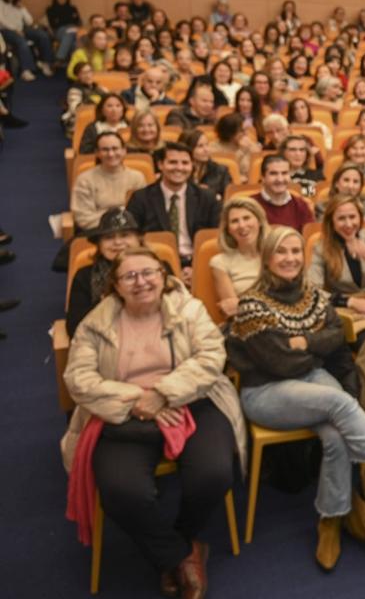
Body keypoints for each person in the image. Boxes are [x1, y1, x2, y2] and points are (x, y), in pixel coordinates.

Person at [226, 226, 365, 571]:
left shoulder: (313, 294)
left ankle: (330, 520)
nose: (290, 259)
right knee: (341, 403)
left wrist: (306, 343)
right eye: (281, 252)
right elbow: (279, 362)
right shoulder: (252, 303)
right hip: (266, 391)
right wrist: (310, 348)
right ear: (267, 257)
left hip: (310, 379)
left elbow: (334, 338)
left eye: (296, 251)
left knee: (336, 436)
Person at [62, 246, 245, 598]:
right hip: (122, 412)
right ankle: (180, 555)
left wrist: (164, 392)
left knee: (214, 474)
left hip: (191, 400)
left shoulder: (188, 309)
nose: (141, 282)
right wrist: (136, 399)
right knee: (122, 492)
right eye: (129, 276)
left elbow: (212, 357)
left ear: (164, 277)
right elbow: (78, 379)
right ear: (114, 285)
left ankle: (179, 538)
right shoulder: (95, 323)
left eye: (149, 273)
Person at [127, 141, 222, 268]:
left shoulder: (207, 198)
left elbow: (215, 239)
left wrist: (196, 268)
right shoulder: (140, 198)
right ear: (160, 164)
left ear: (192, 165)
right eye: (172, 162)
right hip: (156, 264)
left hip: (199, 264)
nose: (179, 168)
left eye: (185, 163)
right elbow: (132, 238)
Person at [307, 194, 365, 324]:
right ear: (332, 222)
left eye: (352, 217)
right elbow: (312, 292)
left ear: (360, 217)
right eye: (341, 218)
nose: (348, 224)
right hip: (343, 308)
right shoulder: (321, 248)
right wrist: (349, 302)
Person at [66, 208, 142, 336]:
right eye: (109, 237)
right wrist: (108, 302)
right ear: (99, 244)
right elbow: (74, 328)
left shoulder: (158, 269)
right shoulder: (84, 276)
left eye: (125, 235)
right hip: (104, 343)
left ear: (139, 239)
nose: (117, 242)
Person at [71, 132, 149, 232]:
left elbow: (142, 213)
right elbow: (84, 219)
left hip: (130, 232)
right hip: (97, 233)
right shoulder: (84, 180)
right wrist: (121, 215)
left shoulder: (137, 177)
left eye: (115, 148)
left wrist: (104, 214)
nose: (111, 154)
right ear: (97, 153)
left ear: (124, 151)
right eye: (105, 150)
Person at [211, 197, 267, 320]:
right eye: (234, 221)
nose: (242, 225)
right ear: (228, 229)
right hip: (245, 327)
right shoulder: (220, 262)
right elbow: (231, 312)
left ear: (260, 221)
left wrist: (242, 303)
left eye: (247, 218)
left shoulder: (275, 254)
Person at [0, 0, 54, 79]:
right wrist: (15, 30)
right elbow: (2, 21)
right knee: (22, 42)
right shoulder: (0, 3)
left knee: (43, 35)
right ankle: (26, 70)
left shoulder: (18, 5)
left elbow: (29, 21)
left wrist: (23, 9)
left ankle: (45, 63)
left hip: (21, 29)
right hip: (6, 31)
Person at [252, 154, 315, 231]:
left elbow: (308, 238)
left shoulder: (301, 205)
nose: (280, 179)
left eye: (284, 173)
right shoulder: (250, 205)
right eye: (273, 174)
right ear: (263, 177)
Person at [178, 128, 233, 202]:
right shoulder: (178, 171)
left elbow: (228, 199)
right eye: (200, 146)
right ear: (187, 148)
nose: (206, 150)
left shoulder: (221, 171)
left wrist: (211, 195)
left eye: (207, 145)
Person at [48, 0, 83, 65]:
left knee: (75, 43)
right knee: (69, 34)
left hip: (74, 29)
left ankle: (65, 61)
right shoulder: (51, 9)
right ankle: (62, 58)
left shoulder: (72, 8)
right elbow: (53, 24)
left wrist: (74, 27)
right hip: (59, 30)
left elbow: (78, 21)